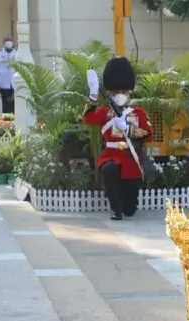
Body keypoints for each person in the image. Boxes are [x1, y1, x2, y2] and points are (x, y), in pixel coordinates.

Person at [83, 57, 153, 220]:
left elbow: (148, 134)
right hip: (111, 156)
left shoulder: (138, 113)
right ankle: (115, 209)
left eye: (123, 91)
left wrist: (128, 129)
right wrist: (93, 93)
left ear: (129, 92)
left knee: (130, 209)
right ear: (109, 92)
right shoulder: (105, 111)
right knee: (109, 170)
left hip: (130, 159)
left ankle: (124, 206)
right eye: (116, 92)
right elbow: (87, 117)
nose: (120, 95)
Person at [0, 35, 15, 113]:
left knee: (14, 104)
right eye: (6, 40)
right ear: (3, 42)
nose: (8, 42)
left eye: (10, 40)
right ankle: (7, 120)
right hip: (3, 83)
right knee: (6, 104)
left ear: (12, 42)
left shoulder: (17, 54)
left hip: (14, 83)